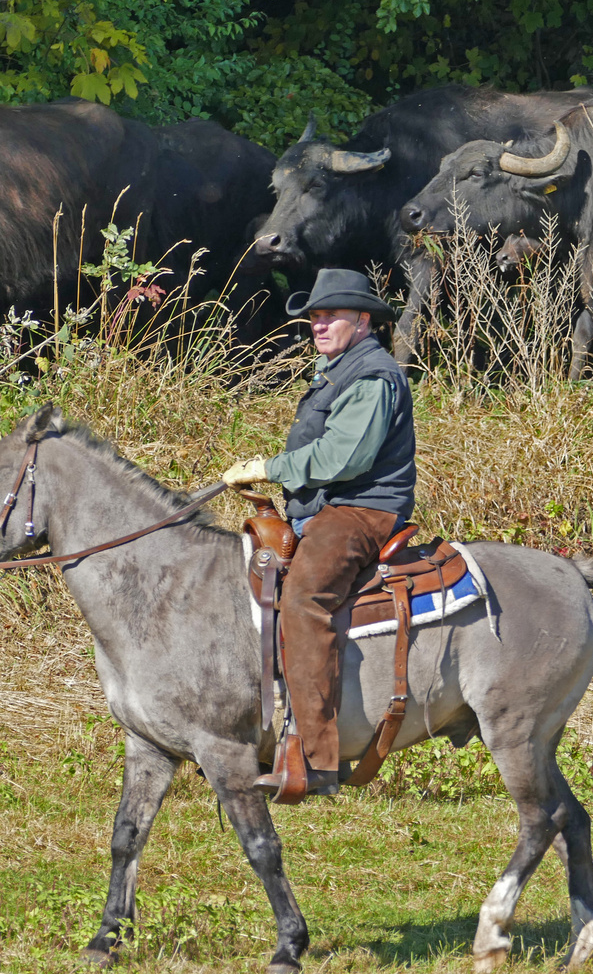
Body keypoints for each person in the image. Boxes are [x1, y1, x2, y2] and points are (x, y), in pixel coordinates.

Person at [221, 268, 416, 796]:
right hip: (325, 508)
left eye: (332, 315)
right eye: (314, 315)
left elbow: (343, 458)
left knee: (305, 599)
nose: (319, 323)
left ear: (364, 320)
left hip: (359, 513)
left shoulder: (372, 375)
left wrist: (270, 467)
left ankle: (316, 762)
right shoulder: (335, 369)